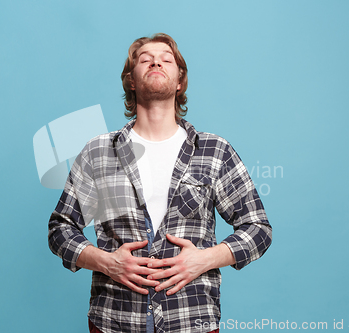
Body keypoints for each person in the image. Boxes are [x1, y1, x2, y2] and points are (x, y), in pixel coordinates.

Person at [48, 33, 272, 333]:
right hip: (114, 320)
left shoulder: (214, 151)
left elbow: (258, 228)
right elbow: (60, 229)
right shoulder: (98, 151)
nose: (156, 61)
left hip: (192, 321)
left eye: (167, 59)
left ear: (180, 81)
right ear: (131, 81)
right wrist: (106, 262)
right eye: (145, 59)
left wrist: (205, 260)